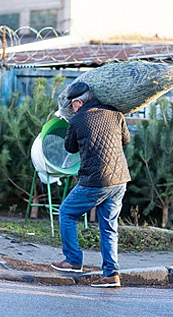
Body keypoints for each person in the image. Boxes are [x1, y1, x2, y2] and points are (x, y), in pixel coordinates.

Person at [51, 82, 131, 288]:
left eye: (72, 105)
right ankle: (111, 274)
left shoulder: (77, 120)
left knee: (67, 212)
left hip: (96, 180)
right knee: (109, 227)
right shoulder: (115, 113)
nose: (72, 109)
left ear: (78, 102)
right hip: (120, 179)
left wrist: (73, 125)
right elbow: (126, 140)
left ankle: (73, 261)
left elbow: (69, 148)